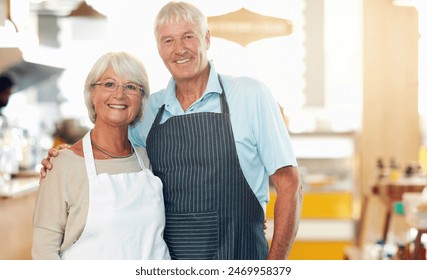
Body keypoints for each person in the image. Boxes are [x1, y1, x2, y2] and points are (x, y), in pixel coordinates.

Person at [41, 1, 303, 260]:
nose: (179, 49)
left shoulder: (250, 95)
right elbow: (110, 153)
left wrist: (273, 268)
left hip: (238, 257)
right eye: (168, 41)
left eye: (188, 37)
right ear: (159, 49)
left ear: (207, 39)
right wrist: (68, 157)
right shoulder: (147, 110)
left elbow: (290, 184)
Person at [32, 51, 170, 260]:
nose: (119, 94)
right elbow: (44, 251)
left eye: (131, 86)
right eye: (109, 84)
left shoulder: (147, 159)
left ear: (141, 100)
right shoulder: (64, 165)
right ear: (92, 94)